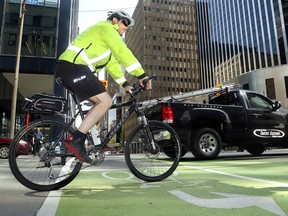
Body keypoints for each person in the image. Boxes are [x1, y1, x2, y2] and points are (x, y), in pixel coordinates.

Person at [55, 10, 152, 164]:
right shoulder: (106, 28)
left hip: (73, 69)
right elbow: (122, 52)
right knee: (105, 101)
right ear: (115, 20)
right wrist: (141, 75)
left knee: (99, 105)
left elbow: (113, 65)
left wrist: (125, 84)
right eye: (125, 23)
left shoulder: (106, 47)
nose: (126, 28)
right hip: (72, 66)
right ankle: (76, 140)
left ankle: (97, 143)